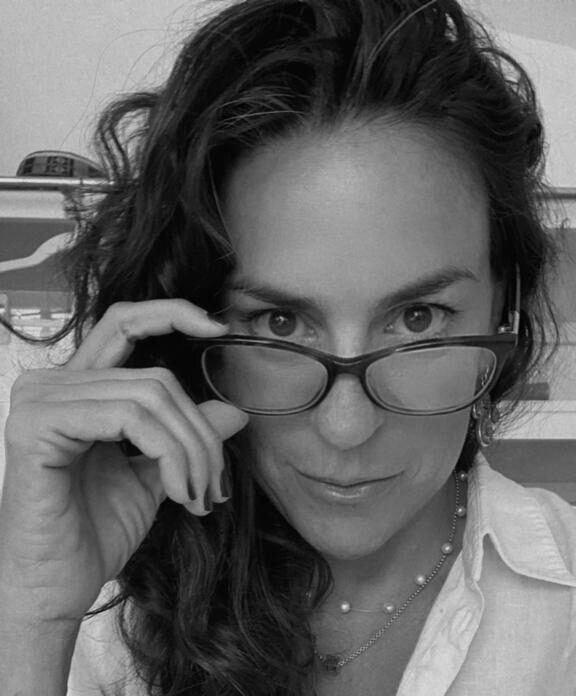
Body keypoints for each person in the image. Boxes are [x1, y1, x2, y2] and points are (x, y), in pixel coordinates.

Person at [1, 0, 575, 694]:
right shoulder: (95, 610)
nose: (346, 427)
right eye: (279, 322)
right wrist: (34, 617)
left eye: (418, 318)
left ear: (504, 308)